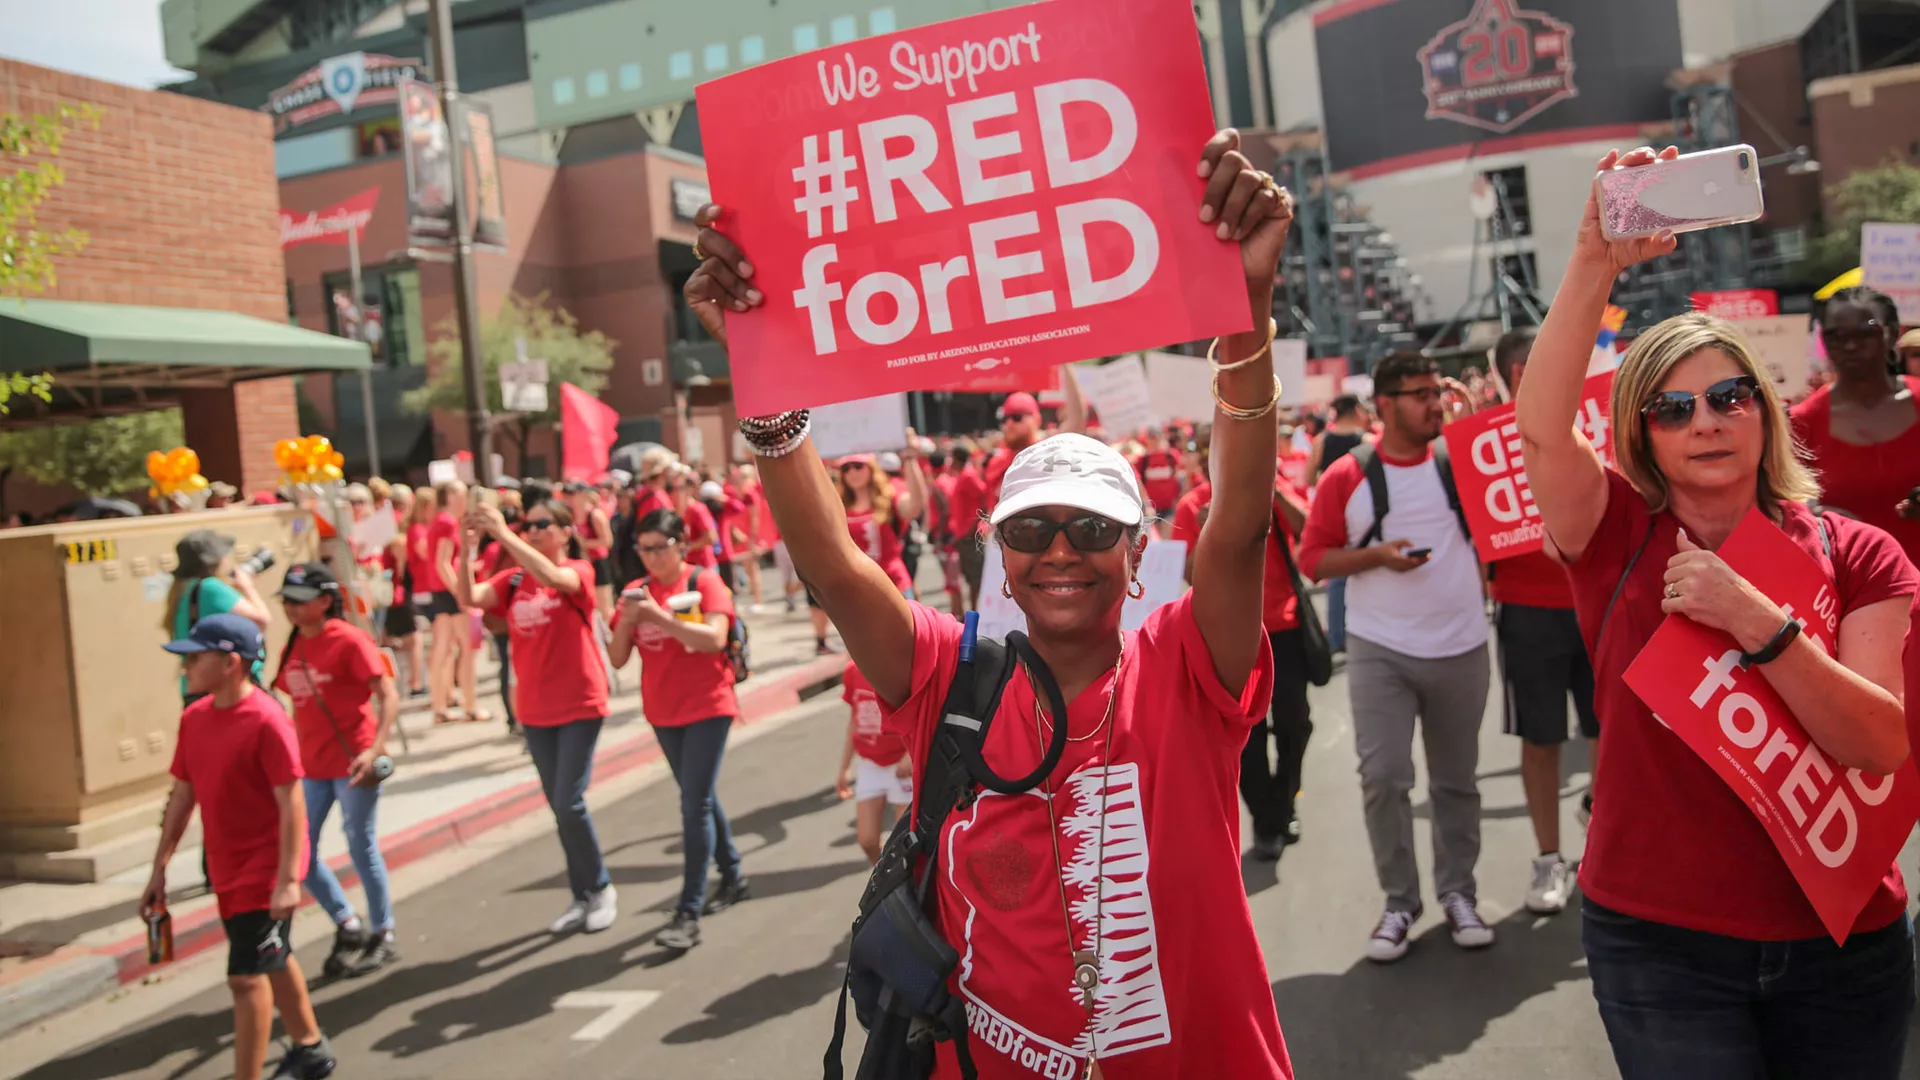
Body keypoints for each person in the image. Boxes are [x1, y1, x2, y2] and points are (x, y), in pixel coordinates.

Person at [683, 125, 1297, 1077]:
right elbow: (839, 568)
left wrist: (1245, 312)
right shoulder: (949, 679)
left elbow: (1242, 521)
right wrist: (765, 384)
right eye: (1031, 530)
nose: (1061, 551)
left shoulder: (1189, 664)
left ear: (1138, 557)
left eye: (1093, 530)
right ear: (997, 558)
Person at [1515, 146, 1918, 1078]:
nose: (1705, 420)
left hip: (1843, 936)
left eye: (1730, 397)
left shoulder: (1859, 555)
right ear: (1639, 433)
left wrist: (1756, 621)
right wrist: (1592, 261)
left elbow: (1878, 743)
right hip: (1660, 943)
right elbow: (1540, 428)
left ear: (1765, 413)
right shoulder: (1614, 534)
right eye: (1672, 406)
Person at [1297, 351, 1494, 963]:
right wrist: (1376, 556)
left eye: (1438, 391)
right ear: (1384, 404)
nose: (1435, 402)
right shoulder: (1346, 476)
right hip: (1381, 649)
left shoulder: (1460, 458)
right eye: (1420, 394)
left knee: (1457, 782)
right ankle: (1400, 902)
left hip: (1462, 645)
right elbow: (1314, 559)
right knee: (1384, 777)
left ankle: (1459, 892)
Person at [144, 614, 337, 1080]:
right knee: (270, 958)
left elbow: (292, 802)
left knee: (245, 978)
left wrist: (289, 880)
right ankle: (311, 1049)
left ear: (231, 662)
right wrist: (159, 868)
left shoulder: (268, 720)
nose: (185, 667)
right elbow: (183, 794)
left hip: (266, 870)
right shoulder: (194, 718)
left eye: (195, 657)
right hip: (225, 865)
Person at [454, 498, 618, 934]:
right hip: (536, 710)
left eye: (546, 525)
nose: (535, 531)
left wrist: (502, 534)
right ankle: (582, 894)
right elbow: (469, 596)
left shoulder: (579, 571)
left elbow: (556, 577)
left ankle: (600, 887)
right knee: (558, 807)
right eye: (530, 525)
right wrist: (466, 548)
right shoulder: (512, 580)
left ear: (567, 532)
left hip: (580, 702)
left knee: (570, 801)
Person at [1487, 328, 1598, 915]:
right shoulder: (1483, 442)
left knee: (1611, 730)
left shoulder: (1603, 421)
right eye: (1533, 365)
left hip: (1599, 599)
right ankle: (1549, 857)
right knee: (1542, 737)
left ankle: (1599, 828)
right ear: (1511, 374)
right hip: (1527, 610)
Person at [608, 508, 751, 950]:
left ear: (680, 545)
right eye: (643, 549)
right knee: (699, 797)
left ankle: (687, 912)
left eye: (660, 548)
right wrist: (631, 621)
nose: (651, 558)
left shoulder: (702, 581)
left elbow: (712, 638)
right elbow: (616, 659)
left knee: (693, 804)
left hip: (709, 705)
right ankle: (732, 873)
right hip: (663, 711)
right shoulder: (634, 593)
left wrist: (659, 617)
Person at [1172, 457, 1313, 860]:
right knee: (1245, 740)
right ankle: (1268, 821)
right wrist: (1207, 529)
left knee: (1296, 722)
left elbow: (1309, 530)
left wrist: (1272, 492)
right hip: (1227, 636)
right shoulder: (1192, 506)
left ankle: (1285, 802)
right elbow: (1190, 575)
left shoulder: (1272, 485)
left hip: (1284, 628)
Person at [270, 563, 401, 978]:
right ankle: (348, 923)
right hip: (310, 766)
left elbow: (388, 694)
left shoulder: (349, 640)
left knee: (359, 843)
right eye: (286, 601)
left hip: (352, 763)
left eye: (299, 601)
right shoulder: (293, 644)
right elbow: (289, 699)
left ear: (325, 602)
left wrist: (374, 749)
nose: (290, 608)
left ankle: (384, 931)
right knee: (299, 851)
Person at [1792, 287, 1920, 567]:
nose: (1850, 345)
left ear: (1892, 333)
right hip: (1857, 596)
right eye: (1836, 336)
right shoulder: (1801, 423)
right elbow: (1783, 509)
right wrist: (1814, 517)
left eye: (1866, 332)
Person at [165, 529, 270, 703]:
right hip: (222, 687)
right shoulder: (211, 587)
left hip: (194, 686)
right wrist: (247, 587)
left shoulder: (181, 590)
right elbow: (261, 621)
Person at [835, 659, 911, 864]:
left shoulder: (902, 666)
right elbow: (854, 719)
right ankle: (885, 881)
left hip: (902, 766)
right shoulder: (852, 671)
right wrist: (844, 768)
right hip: (870, 764)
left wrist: (911, 754)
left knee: (903, 841)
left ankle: (907, 884)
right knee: (867, 840)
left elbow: (922, 712)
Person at [424, 481, 483, 725]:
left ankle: (440, 707)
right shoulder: (447, 522)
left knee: (443, 650)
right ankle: (470, 706)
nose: (464, 498)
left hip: (442, 591)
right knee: (467, 649)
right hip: (451, 591)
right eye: (460, 494)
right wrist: (461, 594)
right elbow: (443, 562)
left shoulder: (441, 521)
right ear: (450, 496)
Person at [837, 450, 925, 597]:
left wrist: (909, 458)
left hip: (895, 585)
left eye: (858, 466)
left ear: (872, 468)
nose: (852, 472)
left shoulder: (889, 498)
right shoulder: (839, 506)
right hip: (858, 590)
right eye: (846, 468)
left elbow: (914, 507)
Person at [1133, 426, 1185, 525]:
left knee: (1167, 538)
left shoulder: (1172, 456)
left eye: (1157, 437)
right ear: (1147, 440)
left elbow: (1181, 476)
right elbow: (1138, 481)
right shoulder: (1143, 459)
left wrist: (1178, 499)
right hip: (1151, 509)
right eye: (1152, 437)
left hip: (1170, 507)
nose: (1155, 440)